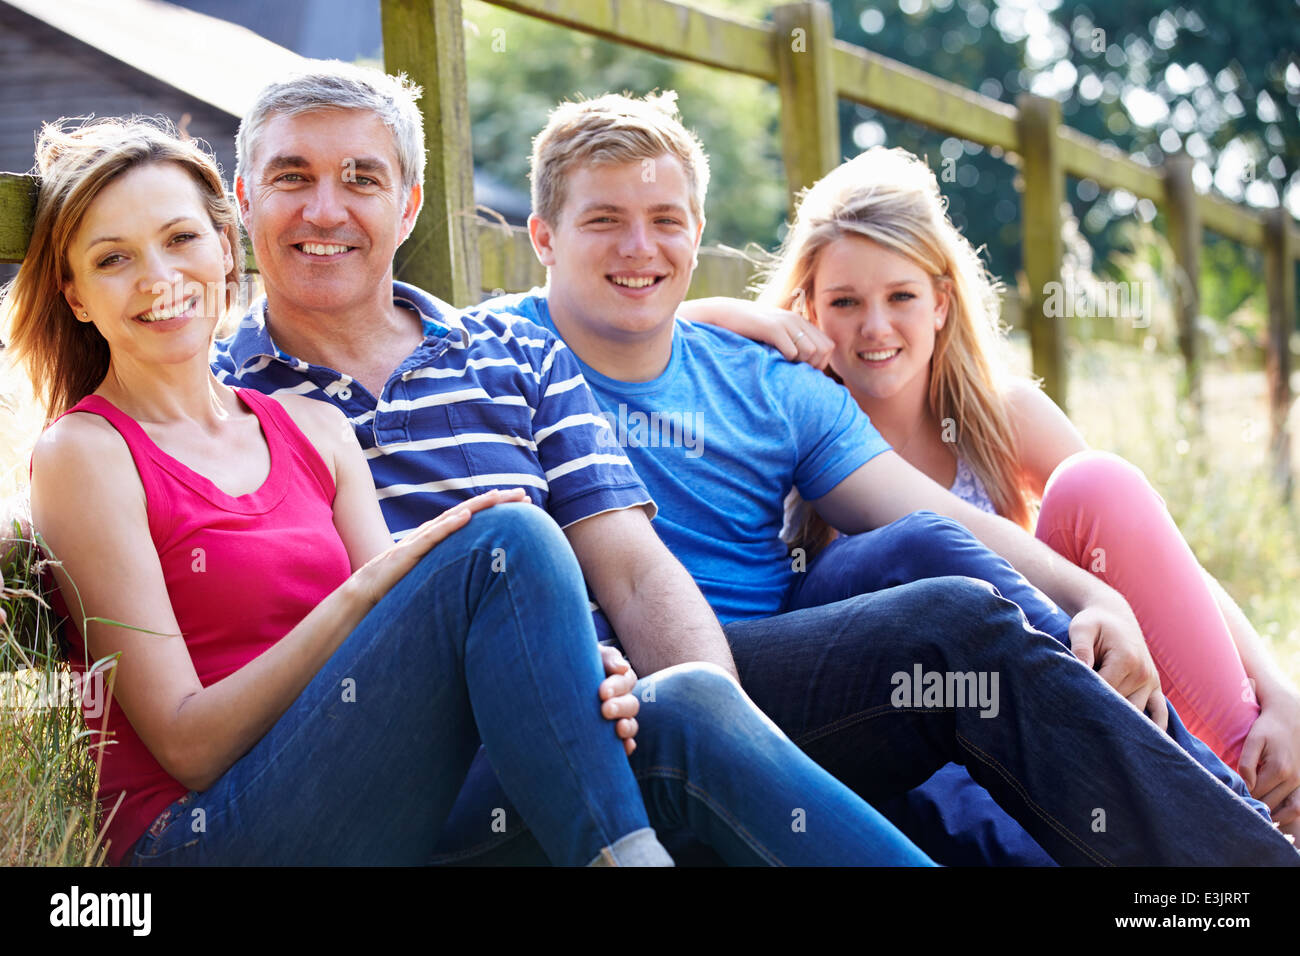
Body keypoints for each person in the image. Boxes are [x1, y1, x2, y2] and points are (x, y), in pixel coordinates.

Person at [2, 115, 937, 867]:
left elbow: (425, 647)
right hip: (217, 832)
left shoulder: (308, 430)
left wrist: (572, 670)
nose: (159, 279)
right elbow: (190, 745)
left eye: (178, 240)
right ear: (77, 294)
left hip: (376, 796)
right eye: (114, 258)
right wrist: (359, 597)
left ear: (224, 245)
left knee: (678, 707)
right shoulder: (87, 453)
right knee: (508, 535)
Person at [474, 89, 1299, 866]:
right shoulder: (489, 355)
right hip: (620, 690)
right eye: (605, 221)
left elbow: (937, 516)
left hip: (782, 670)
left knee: (932, 564)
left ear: (698, 232)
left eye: (664, 221)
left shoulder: (766, 379)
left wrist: (1093, 595)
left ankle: (1236, 848)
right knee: (943, 646)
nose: (639, 248)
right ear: (544, 237)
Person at [682, 146, 1300, 837]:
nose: (875, 327)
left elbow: (1159, 562)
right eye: (844, 302)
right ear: (806, 308)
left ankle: (1261, 785)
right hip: (913, 725)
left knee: (1101, 484)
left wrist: (1277, 687)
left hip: (1047, 694)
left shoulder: (995, 416)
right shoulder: (790, 413)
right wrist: (736, 317)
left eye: (902, 297)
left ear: (942, 302)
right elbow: (654, 335)